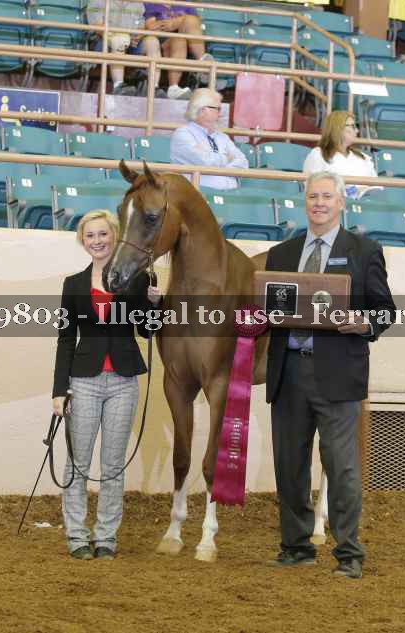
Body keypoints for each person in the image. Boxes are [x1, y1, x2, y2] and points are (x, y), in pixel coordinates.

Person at [263, 171, 397, 580]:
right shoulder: (281, 254)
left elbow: (385, 311)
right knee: (289, 466)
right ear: (304, 202)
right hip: (288, 372)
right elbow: (270, 310)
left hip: (338, 375)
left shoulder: (364, 251)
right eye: (312, 196)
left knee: (341, 468)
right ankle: (296, 547)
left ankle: (348, 553)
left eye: (326, 196)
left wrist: (364, 322)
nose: (318, 203)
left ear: (341, 202)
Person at [52, 210, 161, 561]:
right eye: (90, 236)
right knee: (78, 463)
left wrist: (155, 305)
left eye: (102, 234)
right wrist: (59, 390)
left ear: (114, 236)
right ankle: (77, 536)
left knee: (113, 465)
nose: (97, 241)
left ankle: (105, 538)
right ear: (83, 241)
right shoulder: (73, 284)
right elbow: (65, 339)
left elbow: (148, 330)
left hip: (123, 382)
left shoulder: (137, 280)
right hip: (83, 381)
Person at [169, 88, 248, 190]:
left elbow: (243, 163)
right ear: (203, 110)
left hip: (229, 194)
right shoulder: (183, 134)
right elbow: (204, 161)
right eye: (218, 109)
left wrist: (220, 167)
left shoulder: (222, 137)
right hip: (196, 194)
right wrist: (228, 158)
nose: (220, 114)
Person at [86, 0, 157, 96]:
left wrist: (137, 36)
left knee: (152, 41)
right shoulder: (97, 1)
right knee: (120, 39)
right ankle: (118, 86)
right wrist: (121, 36)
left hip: (130, 43)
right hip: (103, 41)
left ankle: (154, 88)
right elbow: (97, 26)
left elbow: (141, 26)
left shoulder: (137, 3)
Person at [143, 2, 213, 99]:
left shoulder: (185, 2)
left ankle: (202, 61)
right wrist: (180, 21)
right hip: (163, 39)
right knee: (179, 39)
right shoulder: (151, 3)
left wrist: (175, 23)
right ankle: (175, 88)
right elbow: (150, 26)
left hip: (187, 38)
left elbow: (197, 22)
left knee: (190, 21)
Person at [302, 111, 378, 198]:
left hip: (367, 204)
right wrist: (353, 191)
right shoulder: (318, 155)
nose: (357, 131)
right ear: (338, 128)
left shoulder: (364, 157)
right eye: (353, 126)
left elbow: (377, 187)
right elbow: (312, 188)